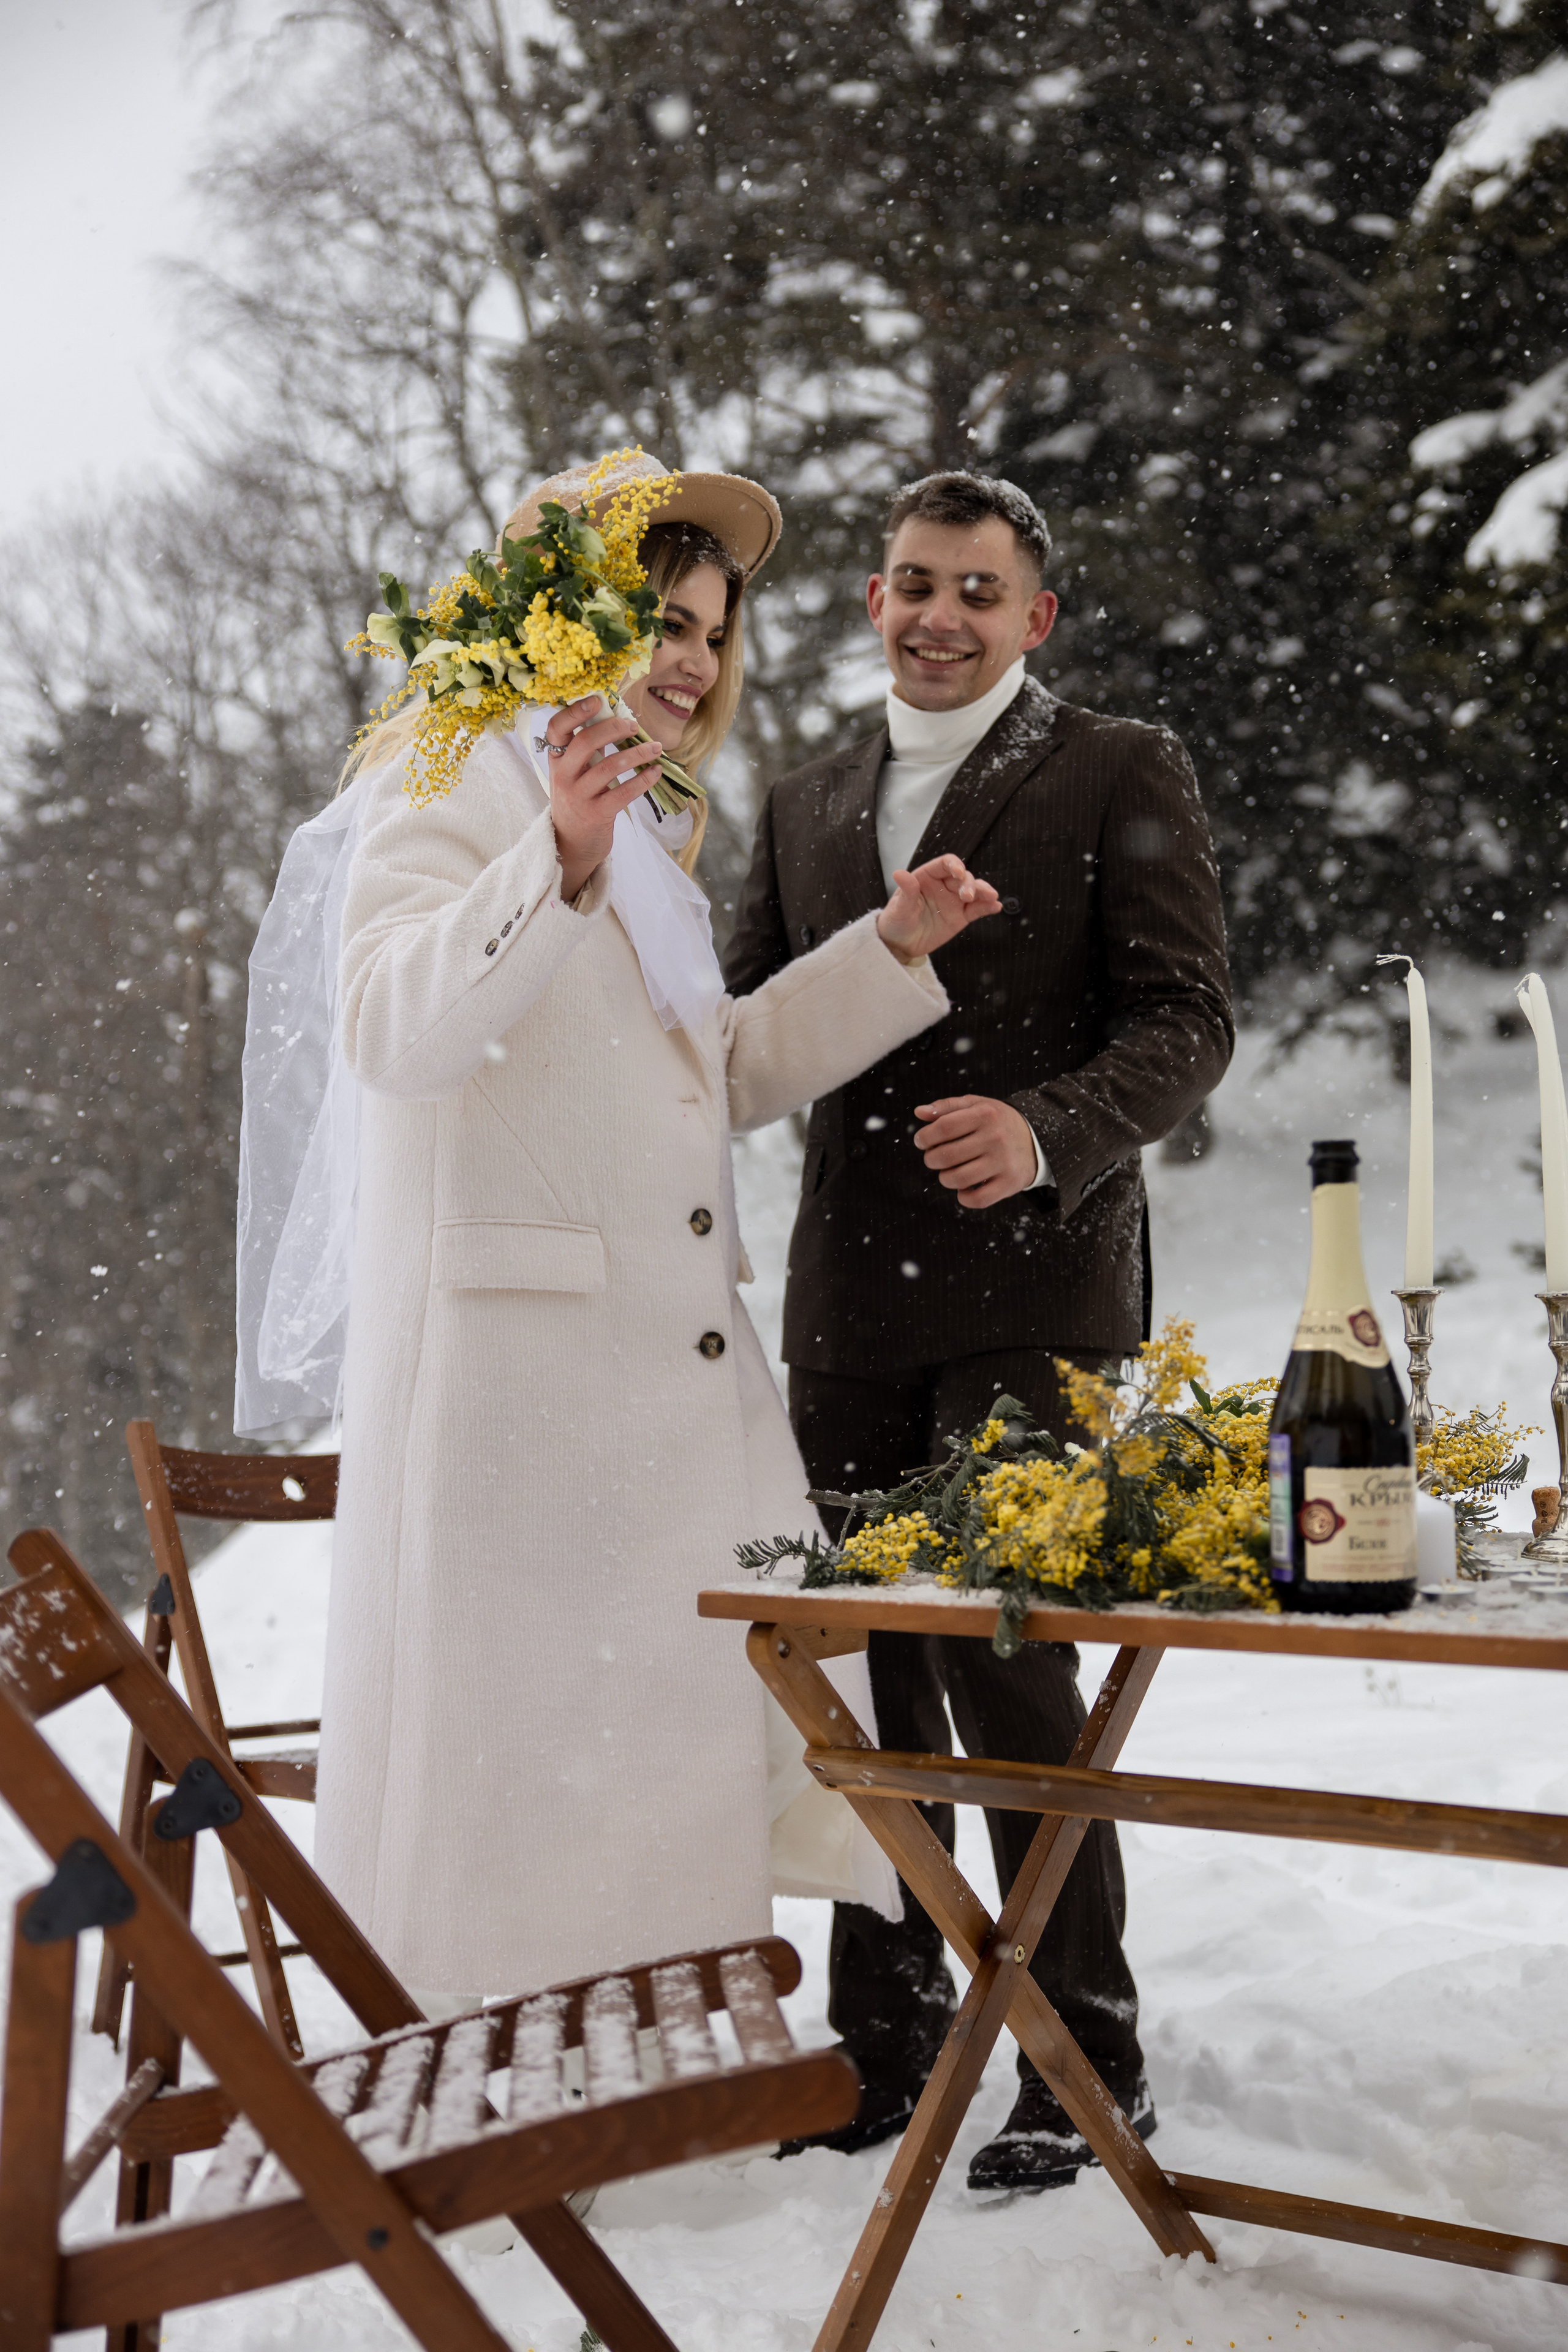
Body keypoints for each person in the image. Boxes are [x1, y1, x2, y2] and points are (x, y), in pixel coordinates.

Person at [239, 450, 1008, 2011]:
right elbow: (392, 1032)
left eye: (713, 632)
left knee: (666, 1736)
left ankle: (660, 2082)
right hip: (522, 1393)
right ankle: (512, 2089)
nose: (690, 660)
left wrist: (887, 947)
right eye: (658, 618)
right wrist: (556, 859)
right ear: (558, 621)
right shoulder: (451, 777)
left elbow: (704, 1074)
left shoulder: (644, 831)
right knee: (531, 1759)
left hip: (660, 1379)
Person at [723, 469, 1234, 2191]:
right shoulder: (800, 803)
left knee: (1013, 1660)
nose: (943, 616)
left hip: (1039, 1293)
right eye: (916, 584)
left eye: (981, 591)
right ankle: (883, 2048)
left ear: (1038, 618)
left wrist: (1048, 1130)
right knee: (867, 1682)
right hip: (846, 1306)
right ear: (872, 601)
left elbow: (1189, 1020)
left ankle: (1085, 2057)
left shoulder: (1114, 768)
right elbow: (739, 1036)